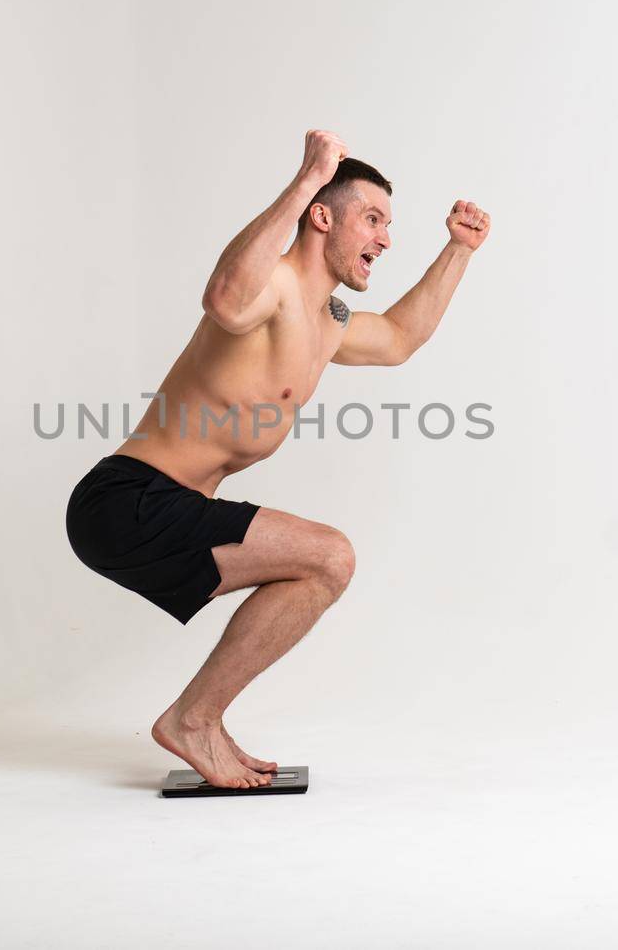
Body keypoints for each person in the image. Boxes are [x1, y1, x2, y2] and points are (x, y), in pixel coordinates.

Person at [66, 129, 491, 788]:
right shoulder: (276, 287)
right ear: (324, 216)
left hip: (163, 506)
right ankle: (194, 720)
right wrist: (306, 179)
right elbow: (225, 300)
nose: (384, 238)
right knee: (330, 555)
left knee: (317, 569)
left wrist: (458, 250)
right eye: (372, 219)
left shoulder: (328, 313)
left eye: (386, 224)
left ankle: (199, 717)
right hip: (127, 502)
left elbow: (401, 337)